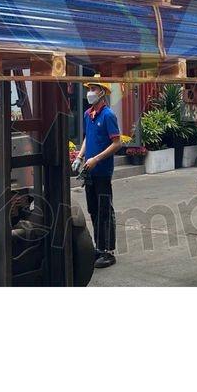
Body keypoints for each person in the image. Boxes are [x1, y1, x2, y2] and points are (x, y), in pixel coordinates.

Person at [78, 80, 122, 268]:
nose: (90, 92)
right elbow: (87, 137)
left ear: (102, 92)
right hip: (89, 171)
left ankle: (108, 251)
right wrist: (79, 156)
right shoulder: (88, 114)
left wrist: (96, 159)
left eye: (93, 89)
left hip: (102, 171)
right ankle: (99, 247)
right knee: (93, 210)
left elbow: (117, 143)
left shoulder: (108, 115)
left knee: (104, 210)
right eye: (89, 89)